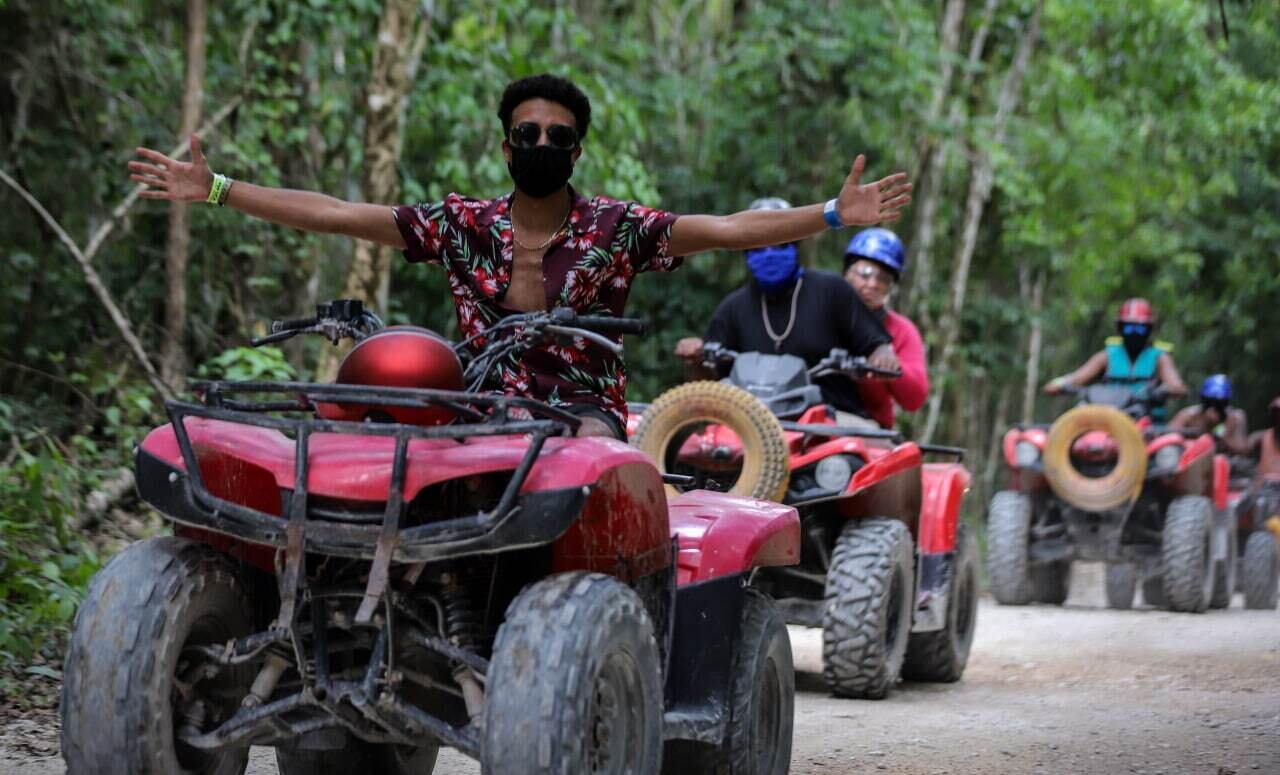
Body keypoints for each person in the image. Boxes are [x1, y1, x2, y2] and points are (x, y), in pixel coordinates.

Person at [128, 74, 912, 439]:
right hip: (470, 407)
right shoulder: (461, 223)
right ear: (507, 146)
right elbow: (336, 214)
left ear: (577, 150)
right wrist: (219, 188)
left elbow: (732, 227)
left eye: (559, 136)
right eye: (529, 133)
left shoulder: (618, 227)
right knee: (358, 446)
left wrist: (837, 211)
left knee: (588, 475)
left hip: (579, 419)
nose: (543, 144)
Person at [673, 198, 899, 429]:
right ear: (745, 252)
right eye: (758, 246)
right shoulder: (733, 307)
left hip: (828, 422)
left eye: (779, 244)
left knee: (872, 452)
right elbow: (708, 385)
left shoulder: (832, 291)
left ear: (796, 245)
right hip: (751, 428)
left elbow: (876, 343)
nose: (769, 253)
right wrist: (696, 359)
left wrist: (884, 357)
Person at [841, 228, 928, 429]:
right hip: (810, 418)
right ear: (847, 273)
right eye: (865, 273)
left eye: (883, 278)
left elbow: (914, 399)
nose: (872, 284)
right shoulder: (822, 312)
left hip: (870, 429)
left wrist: (892, 368)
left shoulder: (901, 330)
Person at [1044, 297, 1187, 417]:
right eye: (1129, 328)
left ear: (1149, 330)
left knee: (1168, 450)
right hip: (1107, 416)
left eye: (1140, 328)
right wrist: (1059, 384)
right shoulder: (1107, 355)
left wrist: (1163, 391)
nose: (1134, 333)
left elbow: (1177, 385)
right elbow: (1077, 377)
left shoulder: (1160, 357)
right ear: (1120, 328)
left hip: (1145, 421)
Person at [1169, 374, 1250, 455]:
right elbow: (1168, 438)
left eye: (1219, 404)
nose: (1213, 409)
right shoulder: (1189, 415)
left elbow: (1242, 450)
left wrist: (1222, 431)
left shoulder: (1235, 418)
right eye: (1209, 403)